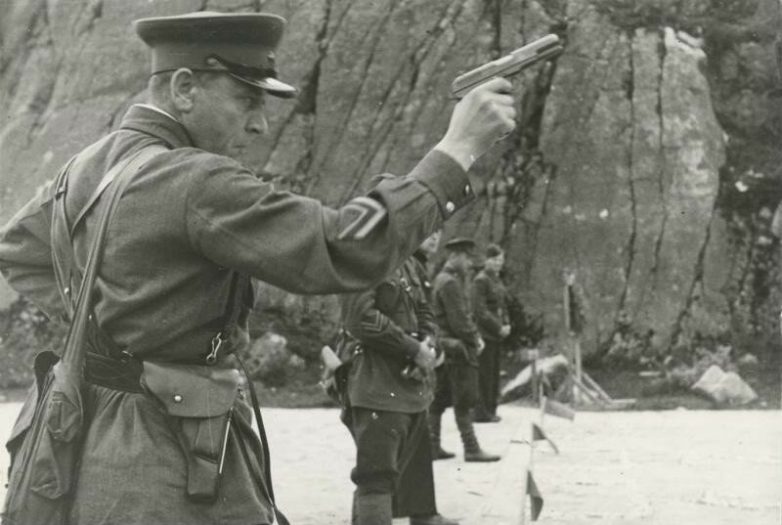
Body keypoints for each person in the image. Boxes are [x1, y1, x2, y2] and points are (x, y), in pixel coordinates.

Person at [0, 11, 517, 525]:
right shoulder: (197, 179)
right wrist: (456, 152)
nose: (260, 122)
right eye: (246, 99)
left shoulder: (87, 163)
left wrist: (110, 333)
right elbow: (345, 246)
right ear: (184, 89)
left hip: (88, 435)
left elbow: (20, 249)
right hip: (162, 450)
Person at [338, 230, 455, 525]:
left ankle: (423, 517)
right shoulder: (364, 256)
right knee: (375, 476)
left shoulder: (409, 262)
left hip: (409, 385)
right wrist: (412, 348)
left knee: (406, 464)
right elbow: (359, 318)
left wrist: (428, 344)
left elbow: (425, 310)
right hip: (376, 382)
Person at [428, 238, 500, 462]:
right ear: (456, 256)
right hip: (458, 349)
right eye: (467, 258)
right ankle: (471, 448)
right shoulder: (450, 283)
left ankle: (432, 446)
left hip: (444, 346)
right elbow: (459, 320)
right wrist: (475, 338)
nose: (469, 264)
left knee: (438, 400)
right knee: (464, 400)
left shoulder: (441, 279)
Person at [472, 243, 511, 423]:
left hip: (496, 335)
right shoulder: (481, 280)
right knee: (484, 375)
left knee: (494, 374)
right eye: (495, 260)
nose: (498, 263)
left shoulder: (496, 280)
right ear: (486, 260)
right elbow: (480, 311)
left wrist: (507, 324)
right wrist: (498, 327)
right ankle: (481, 412)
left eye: (500, 260)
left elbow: (503, 305)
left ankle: (491, 409)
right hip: (485, 334)